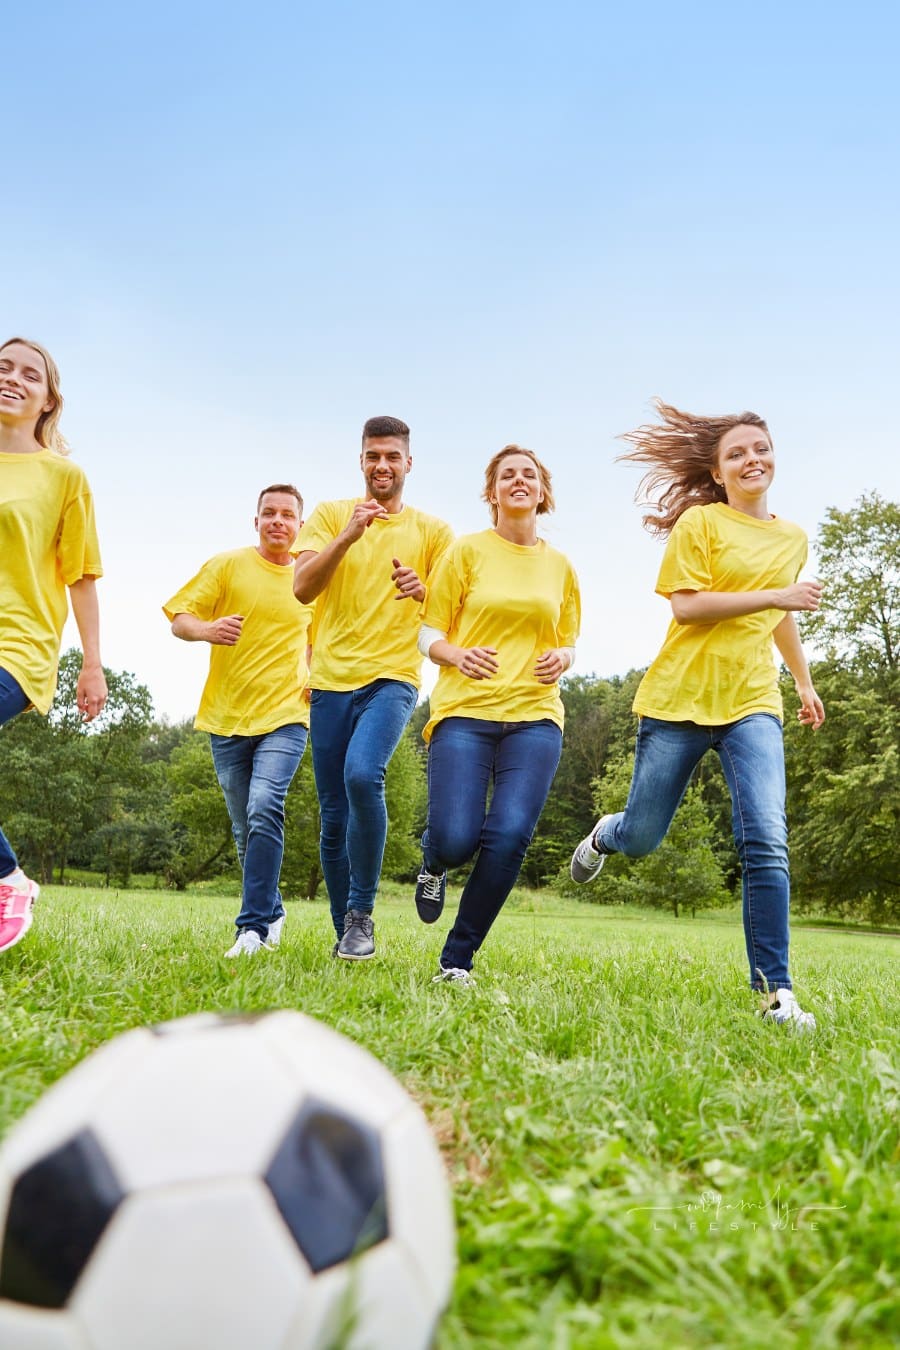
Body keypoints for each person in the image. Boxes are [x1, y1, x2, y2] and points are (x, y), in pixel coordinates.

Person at [570, 400, 824, 1029]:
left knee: (765, 836)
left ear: (773, 458)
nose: (751, 459)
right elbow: (687, 607)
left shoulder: (793, 537)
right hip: (679, 701)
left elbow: (781, 616)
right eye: (736, 453)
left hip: (751, 702)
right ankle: (608, 832)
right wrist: (776, 594)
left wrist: (803, 680)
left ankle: (776, 992)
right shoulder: (701, 525)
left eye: (759, 448)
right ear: (717, 472)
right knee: (645, 836)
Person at [414, 444, 580, 984]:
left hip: (535, 717)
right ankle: (434, 861)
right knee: (457, 839)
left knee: (509, 836)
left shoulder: (560, 566)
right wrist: (456, 654)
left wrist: (565, 657)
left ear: (542, 490)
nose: (518, 481)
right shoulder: (466, 553)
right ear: (492, 493)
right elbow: (428, 633)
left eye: (528, 474)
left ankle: (456, 959)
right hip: (465, 713)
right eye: (507, 475)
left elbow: (568, 641)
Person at [293, 416, 453, 960]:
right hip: (331, 681)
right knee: (333, 814)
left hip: (394, 677)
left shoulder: (434, 533)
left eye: (392, 456)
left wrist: (424, 589)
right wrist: (347, 537)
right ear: (361, 461)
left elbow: (456, 611)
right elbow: (301, 587)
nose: (382, 466)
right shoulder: (331, 515)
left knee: (365, 775)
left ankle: (361, 913)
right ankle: (348, 933)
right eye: (372, 456)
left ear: (409, 463)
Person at [164, 485, 314, 957]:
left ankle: (250, 930)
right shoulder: (228, 565)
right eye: (268, 513)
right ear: (256, 522)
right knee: (243, 826)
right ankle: (271, 911)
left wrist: (316, 674)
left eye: (287, 515)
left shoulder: (312, 579)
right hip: (226, 716)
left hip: (288, 714)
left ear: (300, 526)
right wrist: (209, 630)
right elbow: (179, 618)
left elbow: (322, 638)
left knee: (264, 805)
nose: (277, 521)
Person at [0, 337, 106, 954]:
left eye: (29, 375)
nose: (12, 379)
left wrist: (91, 664)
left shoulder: (63, 476)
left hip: (17, 646)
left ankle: (8, 877)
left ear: (47, 400)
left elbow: (82, 575)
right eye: (2, 368)